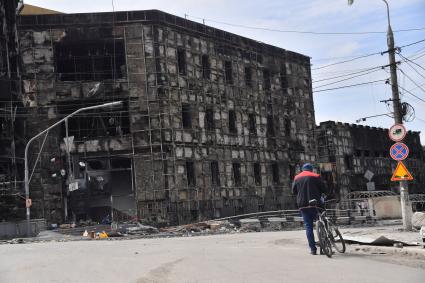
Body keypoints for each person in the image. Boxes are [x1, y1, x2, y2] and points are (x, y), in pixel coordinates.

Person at [292, 163, 328, 255]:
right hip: (316, 204)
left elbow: (294, 191)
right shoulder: (316, 176)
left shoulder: (297, 178)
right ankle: (324, 246)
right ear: (311, 169)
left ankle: (313, 249)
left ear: (302, 169)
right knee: (323, 222)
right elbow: (324, 189)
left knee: (308, 227)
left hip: (303, 205)